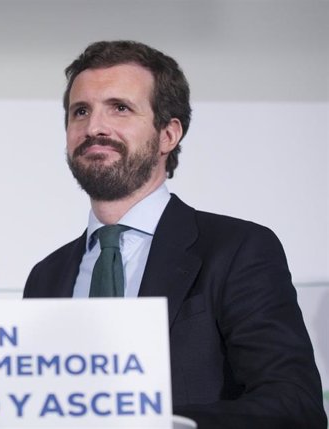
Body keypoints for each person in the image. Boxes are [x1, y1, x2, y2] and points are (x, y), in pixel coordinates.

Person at [23, 40, 326, 428]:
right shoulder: (45, 277)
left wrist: (155, 423)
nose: (94, 127)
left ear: (168, 134)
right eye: (80, 111)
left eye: (120, 108)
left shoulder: (238, 250)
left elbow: (293, 406)